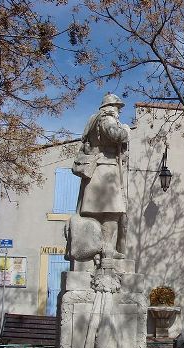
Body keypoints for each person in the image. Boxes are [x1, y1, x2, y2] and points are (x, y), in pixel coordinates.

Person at [77, 93, 130, 259]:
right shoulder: (107, 118)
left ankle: (97, 249)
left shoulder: (93, 120)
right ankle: (106, 248)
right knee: (112, 211)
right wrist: (126, 130)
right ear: (110, 106)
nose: (119, 112)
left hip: (98, 169)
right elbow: (116, 134)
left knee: (97, 213)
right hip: (105, 169)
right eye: (118, 107)